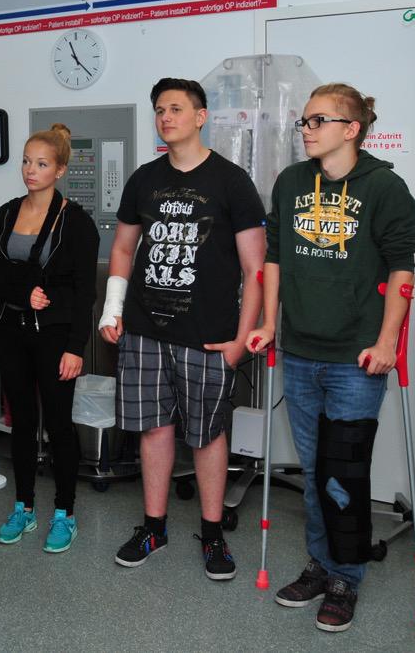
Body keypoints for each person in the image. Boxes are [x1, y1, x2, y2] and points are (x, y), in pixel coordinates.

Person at [247, 83, 415, 632]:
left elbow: (402, 269)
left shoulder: (385, 187)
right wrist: (269, 324)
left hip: (355, 357)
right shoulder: (292, 182)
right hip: (300, 350)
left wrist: (388, 341)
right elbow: (274, 258)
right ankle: (321, 564)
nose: (306, 130)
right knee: (315, 468)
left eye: (318, 120)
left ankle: (346, 575)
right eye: (304, 121)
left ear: (351, 129)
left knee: (343, 469)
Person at [101, 77, 265, 582]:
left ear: (200, 116)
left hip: (208, 335)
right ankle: (154, 528)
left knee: (207, 435)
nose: (165, 117)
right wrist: (112, 309)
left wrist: (241, 341)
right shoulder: (144, 179)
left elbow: (255, 268)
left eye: (175, 108)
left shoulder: (231, 181)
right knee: (154, 429)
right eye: (159, 110)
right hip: (145, 331)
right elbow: (123, 248)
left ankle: (212, 534)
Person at [0, 123, 99, 553]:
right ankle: (24, 507)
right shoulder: (6, 213)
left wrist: (75, 348)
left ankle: (65, 512)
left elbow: (85, 292)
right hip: (11, 330)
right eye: (27, 162)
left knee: (60, 424)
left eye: (42, 164)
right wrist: (21, 293)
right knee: (23, 422)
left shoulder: (77, 222)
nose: (31, 170)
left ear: (60, 170)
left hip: (55, 336)